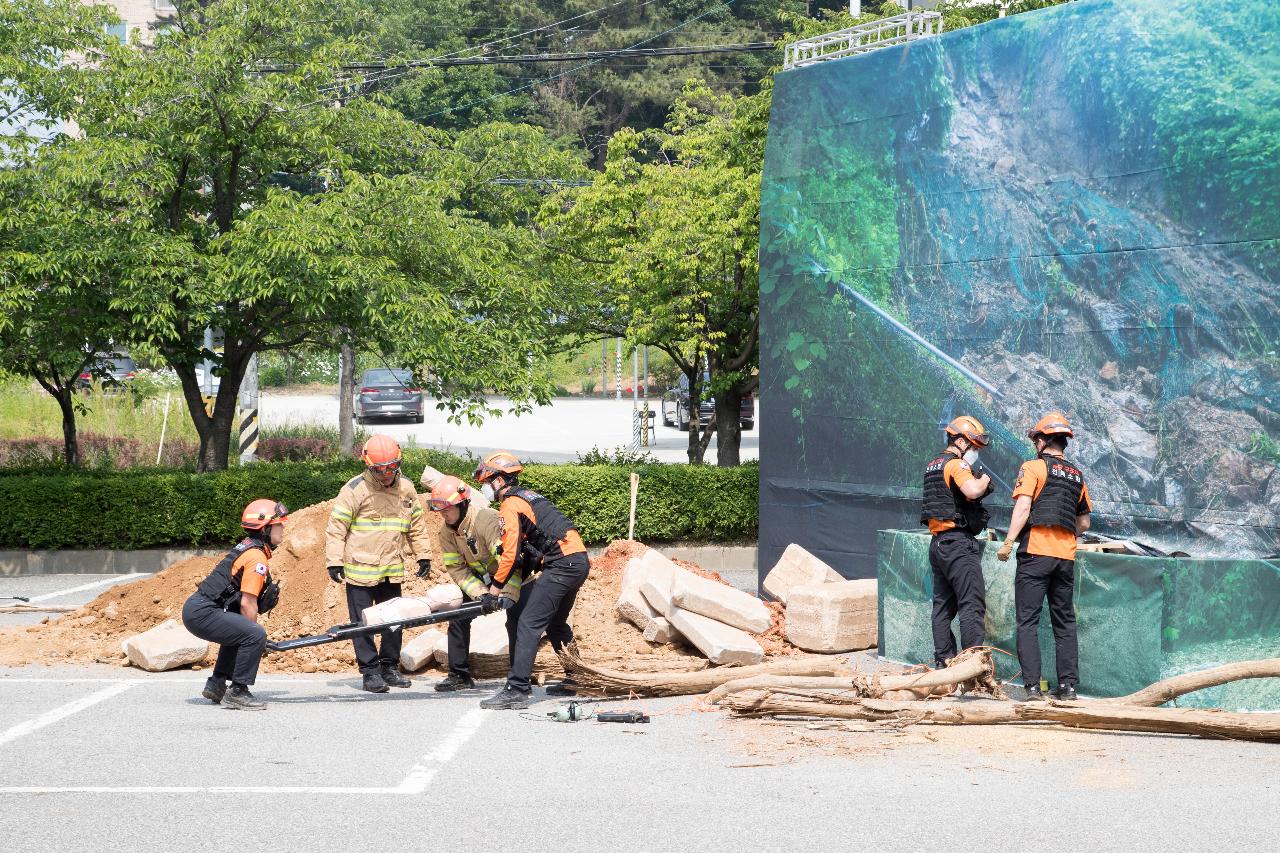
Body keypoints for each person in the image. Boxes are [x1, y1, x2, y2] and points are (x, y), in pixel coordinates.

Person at [472, 451, 590, 710]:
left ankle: (517, 689)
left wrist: (493, 591)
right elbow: (532, 546)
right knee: (557, 623)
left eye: (487, 481)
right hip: (577, 560)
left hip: (562, 565)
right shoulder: (528, 496)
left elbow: (511, 554)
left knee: (528, 623)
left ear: (500, 481)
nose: (485, 488)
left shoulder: (510, 505)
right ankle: (576, 678)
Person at [325, 434, 432, 693]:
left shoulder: (406, 489)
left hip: (391, 569)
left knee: (394, 620)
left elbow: (416, 526)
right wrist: (334, 561)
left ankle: (389, 666)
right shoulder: (354, 490)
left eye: (390, 468)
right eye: (378, 470)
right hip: (360, 570)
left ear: (398, 463)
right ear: (368, 465)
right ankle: (370, 672)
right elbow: (336, 528)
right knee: (363, 624)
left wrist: (423, 554)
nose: (385, 475)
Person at [997, 412, 1092, 701]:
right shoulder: (1077, 475)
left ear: (1042, 440)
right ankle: (1068, 688)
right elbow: (1084, 523)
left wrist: (1009, 541)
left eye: (1036, 439)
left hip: (1036, 553)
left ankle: (1033, 689)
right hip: (1065, 558)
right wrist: (1065, 538)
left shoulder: (1033, 467)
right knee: (1064, 622)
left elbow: (1023, 508)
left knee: (1027, 622)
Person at [182, 499, 287, 710]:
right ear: (265, 529)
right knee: (253, 634)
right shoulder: (257, 557)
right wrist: (255, 637)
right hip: (203, 612)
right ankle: (238, 692)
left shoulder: (248, 547)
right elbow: (248, 603)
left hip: (198, 608)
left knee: (239, 629)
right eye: (279, 524)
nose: (283, 528)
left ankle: (217, 683)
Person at [424, 475, 524, 692]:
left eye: (448, 508)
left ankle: (519, 677)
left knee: (517, 621)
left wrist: (502, 594)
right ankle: (458, 675)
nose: (444, 514)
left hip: (512, 576)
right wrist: (482, 595)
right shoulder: (446, 533)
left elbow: (510, 559)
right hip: (484, 581)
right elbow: (457, 569)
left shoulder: (485, 519)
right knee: (457, 618)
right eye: (440, 510)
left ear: (462, 503)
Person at [920, 415, 994, 670]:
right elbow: (972, 491)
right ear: (961, 441)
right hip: (958, 545)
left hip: (938, 544)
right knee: (971, 605)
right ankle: (970, 668)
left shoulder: (933, 464)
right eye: (973, 446)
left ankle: (944, 661)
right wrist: (983, 479)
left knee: (942, 606)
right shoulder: (955, 465)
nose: (974, 451)